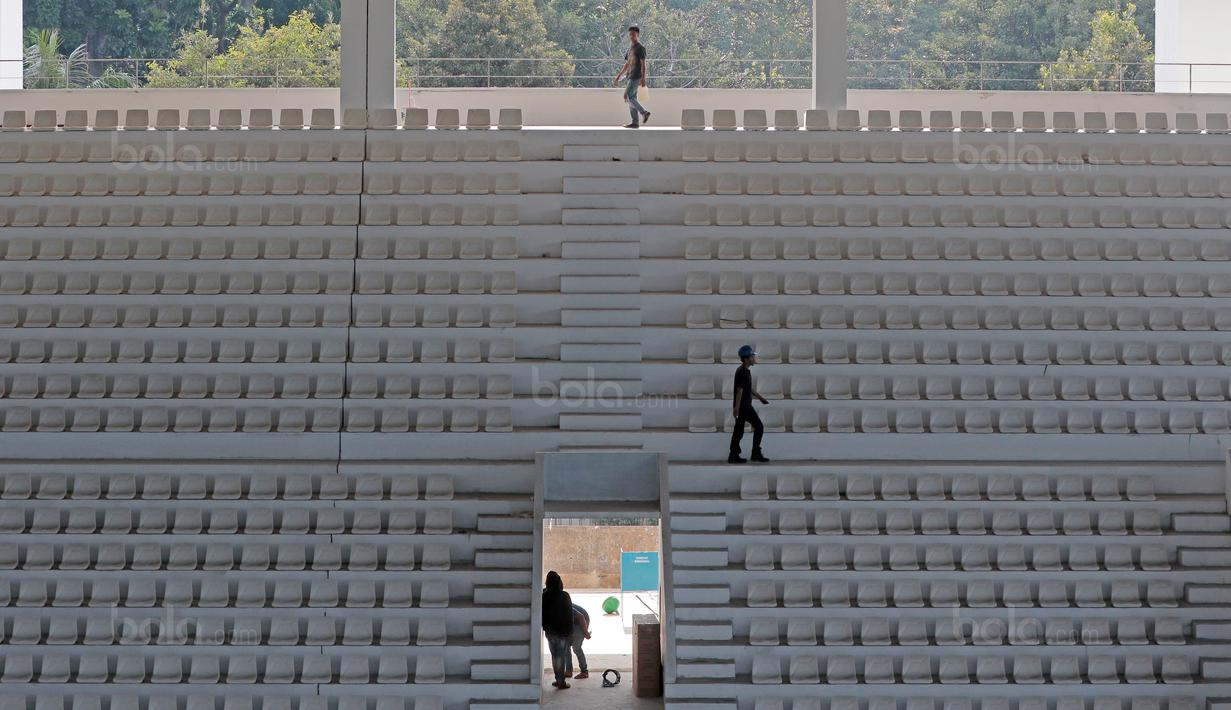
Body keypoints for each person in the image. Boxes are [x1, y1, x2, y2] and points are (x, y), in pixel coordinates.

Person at [729, 345, 770, 464]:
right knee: (758, 427)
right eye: (752, 356)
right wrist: (737, 407)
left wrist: (760, 398)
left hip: (744, 406)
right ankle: (755, 453)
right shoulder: (743, 372)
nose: (754, 358)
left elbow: (748, 388)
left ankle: (734, 455)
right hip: (744, 407)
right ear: (746, 359)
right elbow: (739, 390)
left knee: (739, 431)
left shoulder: (744, 370)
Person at [541, 571, 575, 689]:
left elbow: (542, 614)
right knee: (560, 657)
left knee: (554, 656)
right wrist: (571, 633)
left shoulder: (544, 596)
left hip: (550, 632)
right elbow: (569, 616)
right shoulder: (564, 595)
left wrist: (545, 628)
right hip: (562, 632)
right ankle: (561, 681)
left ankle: (558, 679)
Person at [614, 26, 651, 129]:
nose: (631, 36)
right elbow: (626, 65)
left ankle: (644, 112)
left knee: (628, 96)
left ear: (638, 35)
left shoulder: (640, 48)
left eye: (633, 34)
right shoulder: (630, 49)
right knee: (632, 98)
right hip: (630, 76)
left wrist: (643, 79)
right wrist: (618, 77)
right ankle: (635, 123)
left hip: (636, 76)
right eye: (630, 34)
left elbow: (643, 65)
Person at [565, 603, 591, 679]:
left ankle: (584, 672)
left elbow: (581, 617)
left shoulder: (564, 606)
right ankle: (568, 671)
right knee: (566, 647)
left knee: (577, 648)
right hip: (572, 623)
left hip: (580, 623)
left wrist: (585, 632)